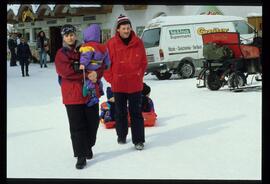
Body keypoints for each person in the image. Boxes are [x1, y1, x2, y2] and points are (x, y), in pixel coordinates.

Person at [54, 24, 105, 169]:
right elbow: (66, 71)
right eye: (67, 35)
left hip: (90, 94)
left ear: (76, 35)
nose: (70, 37)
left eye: (72, 34)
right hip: (72, 95)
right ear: (63, 38)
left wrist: (97, 73)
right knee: (77, 127)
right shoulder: (61, 54)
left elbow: (99, 64)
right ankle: (81, 155)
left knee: (93, 122)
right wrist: (87, 72)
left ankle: (88, 145)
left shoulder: (87, 48)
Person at [104, 14, 148, 150]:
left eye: (128, 28)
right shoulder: (110, 44)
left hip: (135, 84)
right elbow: (105, 65)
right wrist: (112, 79)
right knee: (120, 112)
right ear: (118, 29)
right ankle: (121, 135)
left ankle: (139, 140)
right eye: (123, 28)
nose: (126, 30)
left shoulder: (138, 42)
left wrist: (139, 75)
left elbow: (143, 62)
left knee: (136, 112)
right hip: (119, 85)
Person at [79, 24, 110, 107]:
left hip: (90, 66)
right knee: (97, 80)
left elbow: (86, 56)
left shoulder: (88, 46)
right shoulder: (103, 46)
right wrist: (107, 64)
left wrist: (83, 64)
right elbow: (107, 57)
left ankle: (93, 97)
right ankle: (100, 89)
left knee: (90, 82)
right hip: (98, 65)